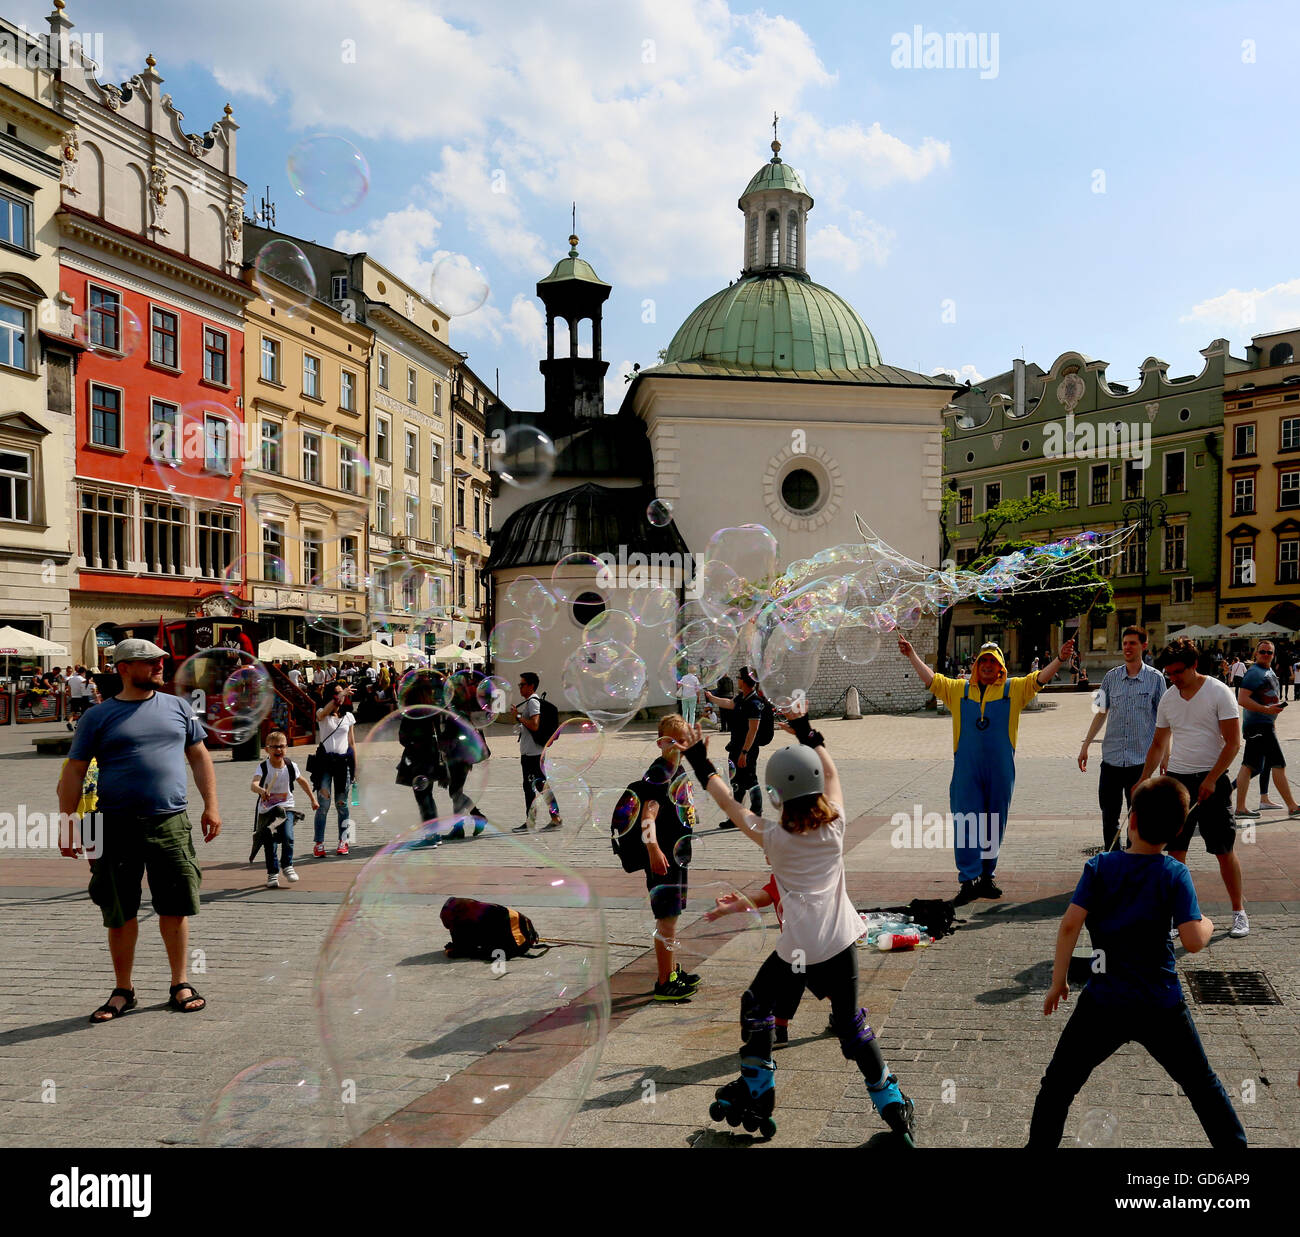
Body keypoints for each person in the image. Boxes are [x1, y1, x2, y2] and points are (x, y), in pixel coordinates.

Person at [677, 709, 917, 1144]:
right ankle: (892, 1102)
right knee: (849, 1023)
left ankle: (758, 1086)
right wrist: (808, 732)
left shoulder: (774, 837)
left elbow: (729, 804)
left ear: (775, 795)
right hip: (841, 942)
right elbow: (831, 769)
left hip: (797, 949)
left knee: (756, 1003)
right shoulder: (838, 825)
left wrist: (697, 757)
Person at [1027, 776, 1247, 1149]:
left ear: (1130, 821)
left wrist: (1058, 980)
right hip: (1160, 1004)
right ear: (1179, 831)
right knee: (1201, 1084)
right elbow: (1193, 941)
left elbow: (1069, 926)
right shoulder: (1174, 873)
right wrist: (1207, 922)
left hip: (1103, 1002)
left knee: (1059, 1085)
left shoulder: (1099, 867)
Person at [56, 639, 219, 1020]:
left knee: (176, 906)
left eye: (161, 660)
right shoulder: (98, 717)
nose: (160, 666)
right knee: (119, 910)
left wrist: (211, 804)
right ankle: (123, 989)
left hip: (170, 822)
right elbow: (74, 772)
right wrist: (67, 825)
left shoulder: (180, 707)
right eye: (150, 662)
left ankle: (180, 981)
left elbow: (199, 756)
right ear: (124, 668)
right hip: (114, 825)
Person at [900, 634, 1073, 904]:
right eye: (984, 662)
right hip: (967, 771)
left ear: (1001, 667)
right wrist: (911, 654)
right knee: (966, 822)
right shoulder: (958, 690)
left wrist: (1061, 659)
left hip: (1000, 771)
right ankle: (968, 879)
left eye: (993, 662)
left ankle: (986, 876)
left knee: (994, 823)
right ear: (976, 666)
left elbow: (1040, 678)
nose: (988, 666)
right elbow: (931, 679)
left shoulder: (1013, 690)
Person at [1139, 637, 1248, 938]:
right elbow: (1159, 743)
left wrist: (1212, 779)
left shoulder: (1218, 692)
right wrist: (1145, 779)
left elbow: (1233, 742)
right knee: (1175, 852)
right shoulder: (1169, 698)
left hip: (1214, 777)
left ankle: (1238, 911)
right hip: (1177, 780)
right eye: (1168, 674)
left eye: (1178, 672)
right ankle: (1181, 915)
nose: (1173, 679)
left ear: (1194, 665)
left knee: (1223, 849)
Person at [1078, 626, 1167, 851]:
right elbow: (1100, 712)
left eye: (1132, 643)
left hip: (1141, 762)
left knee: (1137, 816)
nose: (1127, 647)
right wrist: (1086, 745)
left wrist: (1166, 754)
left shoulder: (1156, 679)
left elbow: (1165, 721)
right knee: (1109, 816)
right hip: (1111, 761)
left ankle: (1132, 857)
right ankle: (1112, 859)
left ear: (1144, 646)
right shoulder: (1110, 677)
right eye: (1125, 643)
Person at [632, 714, 701, 1002]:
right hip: (664, 858)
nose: (677, 746)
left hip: (676, 855)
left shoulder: (677, 769)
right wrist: (653, 850)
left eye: (682, 741)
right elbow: (648, 816)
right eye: (670, 741)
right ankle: (664, 983)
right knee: (667, 919)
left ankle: (670, 972)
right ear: (660, 742)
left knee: (672, 917)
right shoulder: (660, 774)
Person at [1233, 641, 1300, 820]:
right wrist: (1267, 711)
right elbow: (1242, 699)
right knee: (1278, 763)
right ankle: (1293, 806)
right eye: (1262, 652)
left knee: (1248, 766)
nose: (1265, 655)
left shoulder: (1268, 671)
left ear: (1273, 655)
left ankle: (1240, 808)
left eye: (1269, 652)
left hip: (1264, 725)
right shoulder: (1254, 672)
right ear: (1256, 653)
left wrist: (1272, 718)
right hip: (1259, 726)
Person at [250, 730, 318, 888]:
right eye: (274, 747)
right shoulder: (263, 767)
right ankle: (272, 874)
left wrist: (313, 799)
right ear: (267, 749)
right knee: (270, 842)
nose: (278, 750)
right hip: (268, 811)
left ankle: (287, 866)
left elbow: (302, 781)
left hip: (287, 808)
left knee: (288, 836)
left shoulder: (290, 766)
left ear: (286, 748)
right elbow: (253, 785)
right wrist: (261, 791)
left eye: (281, 746)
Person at [703, 667, 768, 824]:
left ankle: (756, 812)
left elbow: (753, 730)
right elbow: (729, 703)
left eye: (739, 677)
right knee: (737, 782)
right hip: (735, 746)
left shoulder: (754, 703)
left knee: (750, 780)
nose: (737, 679)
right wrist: (712, 698)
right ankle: (736, 817)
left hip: (747, 749)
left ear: (745, 681)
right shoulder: (742, 697)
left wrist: (744, 752)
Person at [509, 672, 561, 832]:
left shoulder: (533, 702)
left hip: (533, 754)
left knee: (534, 786)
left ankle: (536, 821)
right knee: (539, 785)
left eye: (522, 684)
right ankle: (553, 818)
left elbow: (535, 725)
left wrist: (518, 717)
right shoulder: (531, 702)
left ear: (531, 686)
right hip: (531, 752)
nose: (520, 687)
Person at [311, 682, 356, 857]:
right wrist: (340, 695)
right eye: (337, 694)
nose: (341, 696)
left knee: (342, 805)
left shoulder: (349, 717)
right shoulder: (322, 714)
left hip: (342, 763)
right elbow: (323, 713)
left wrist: (355, 769)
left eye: (343, 694)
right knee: (323, 805)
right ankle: (319, 843)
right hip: (325, 764)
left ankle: (344, 841)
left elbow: (352, 744)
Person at [65, 664, 92, 732]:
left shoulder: (71, 679)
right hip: (81, 697)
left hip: (73, 697)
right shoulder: (82, 679)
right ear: (83, 672)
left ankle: (69, 722)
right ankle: (77, 724)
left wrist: (71, 696)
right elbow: (87, 685)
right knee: (83, 711)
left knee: (73, 711)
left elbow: (69, 689)